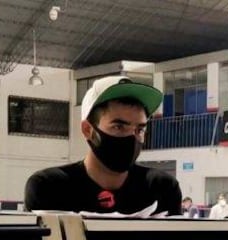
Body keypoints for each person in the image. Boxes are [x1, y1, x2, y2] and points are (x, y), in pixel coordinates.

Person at [24, 76, 181, 216]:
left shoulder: (160, 188)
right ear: (88, 130)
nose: (132, 138)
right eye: (118, 127)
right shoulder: (50, 187)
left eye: (139, 130)